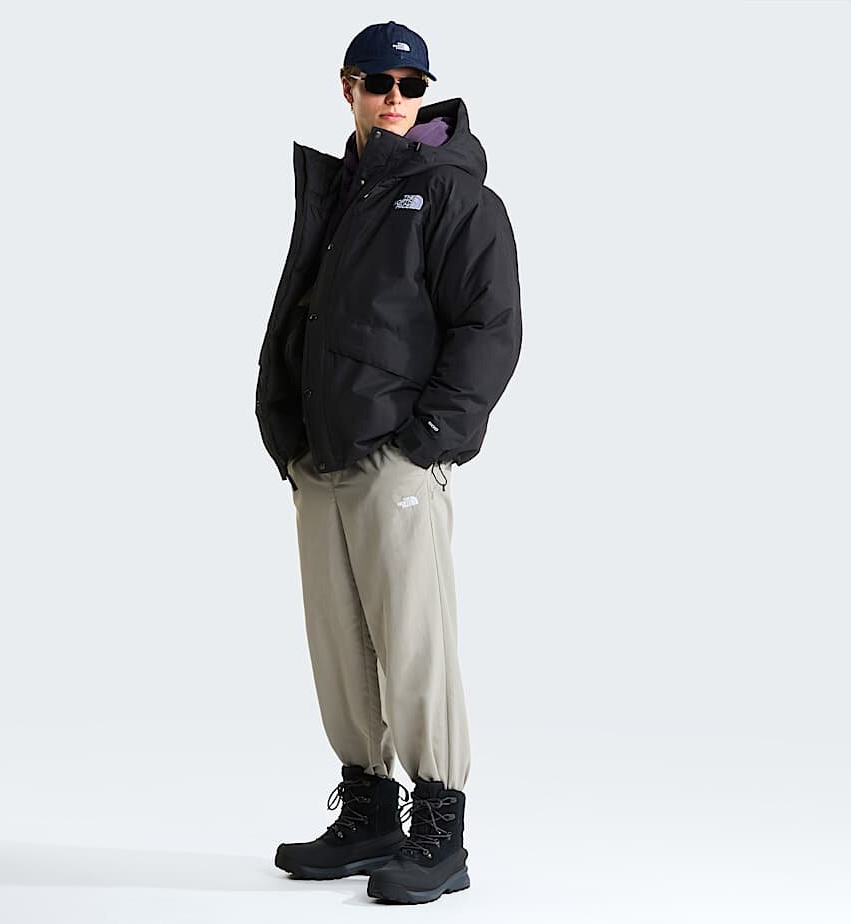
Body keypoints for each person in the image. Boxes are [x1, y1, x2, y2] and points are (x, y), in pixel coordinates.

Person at [255, 20, 522, 904]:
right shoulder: (341, 190)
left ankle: (440, 830)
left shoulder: (450, 194)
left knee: (413, 642)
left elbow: (489, 325)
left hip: (396, 459)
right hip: (321, 455)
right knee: (338, 642)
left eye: (411, 85)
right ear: (349, 88)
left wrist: (429, 438)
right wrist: (285, 426)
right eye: (379, 83)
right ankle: (369, 811)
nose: (395, 98)